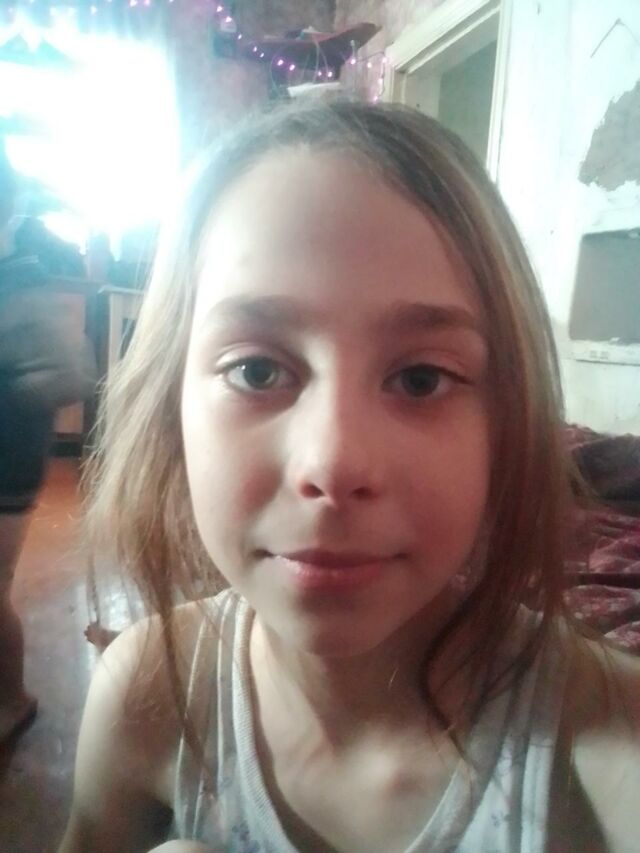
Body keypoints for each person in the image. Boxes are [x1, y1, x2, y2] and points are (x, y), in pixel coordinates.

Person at [59, 101, 640, 853]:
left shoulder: (606, 739)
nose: (333, 463)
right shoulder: (149, 695)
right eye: (257, 370)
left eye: (422, 378)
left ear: (507, 424)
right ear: (170, 410)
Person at [0, 140, 95, 742]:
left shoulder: (21, 279)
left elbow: (71, 374)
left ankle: (13, 702)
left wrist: (20, 380)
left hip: (7, 463)